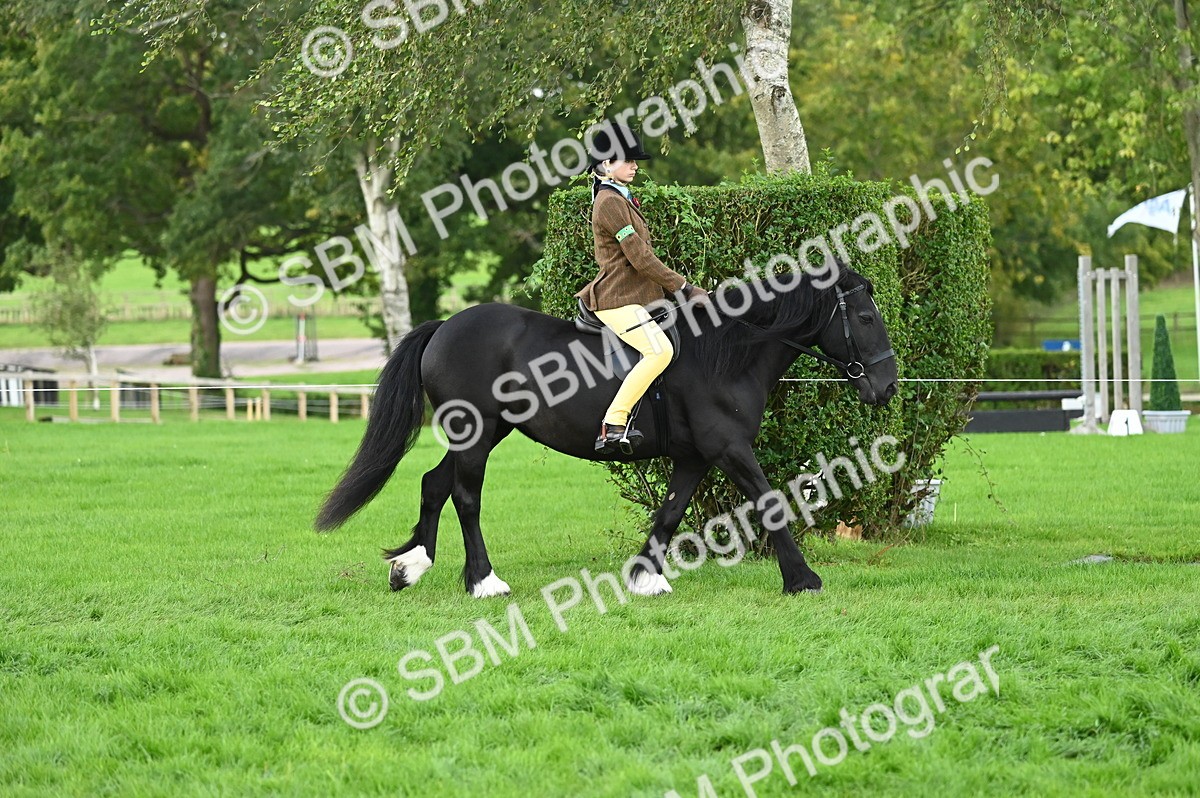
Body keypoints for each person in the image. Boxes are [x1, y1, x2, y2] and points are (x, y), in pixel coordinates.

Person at [574, 122, 710, 454]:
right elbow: (640, 258)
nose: (635, 166)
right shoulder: (608, 202)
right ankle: (613, 424)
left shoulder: (620, 197)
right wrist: (685, 288)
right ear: (607, 163)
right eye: (629, 160)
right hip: (615, 299)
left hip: (637, 296)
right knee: (658, 351)